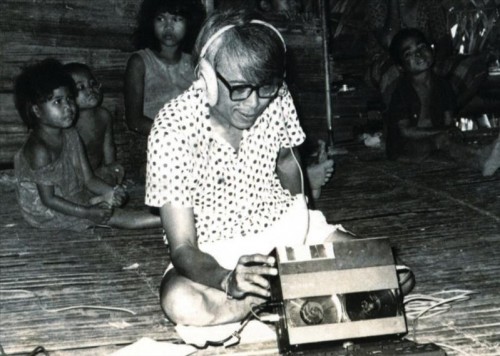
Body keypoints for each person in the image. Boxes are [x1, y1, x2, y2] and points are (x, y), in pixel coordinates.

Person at [145, 9, 410, 328]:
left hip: (285, 233)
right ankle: (281, 296)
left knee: (396, 273)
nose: (255, 103)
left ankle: (283, 292)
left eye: (266, 88)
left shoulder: (277, 95)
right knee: (181, 302)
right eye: (240, 89)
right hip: (216, 253)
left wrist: (305, 222)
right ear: (206, 77)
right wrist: (227, 280)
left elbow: (287, 161)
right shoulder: (172, 129)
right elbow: (184, 247)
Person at [13, 58, 162, 231]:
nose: (68, 106)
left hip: (70, 191)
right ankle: (169, 219)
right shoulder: (39, 149)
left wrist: (110, 191)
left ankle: (99, 204)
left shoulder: (70, 134)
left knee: (108, 189)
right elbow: (49, 199)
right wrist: (86, 212)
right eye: (57, 102)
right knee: (113, 216)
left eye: (69, 98)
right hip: (47, 209)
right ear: (37, 110)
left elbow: (88, 178)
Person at [385, 29, 500, 176]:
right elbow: (406, 131)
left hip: (433, 143)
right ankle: (481, 158)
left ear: (431, 50)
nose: (419, 55)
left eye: (421, 47)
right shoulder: (402, 91)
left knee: (450, 147)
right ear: (401, 66)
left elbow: (448, 122)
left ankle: (482, 157)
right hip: (405, 149)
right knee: (443, 140)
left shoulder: (443, 85)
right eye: (409, 54)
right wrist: (442, 132)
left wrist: (449, 132)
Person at [365, 0, 487, 108]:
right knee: (395, 72)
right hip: (387, 65)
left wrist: (432, 70)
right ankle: (406, 120)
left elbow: (443, 42)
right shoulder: (377, 3)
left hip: (423, 63)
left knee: (475, 66)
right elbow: (389, 43)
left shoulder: (429, 2)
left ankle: (445, 110)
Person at [124, 0, 206, 136]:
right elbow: (134, 121)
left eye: (176, 19)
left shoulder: (195, 64)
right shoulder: (140, 62)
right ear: (150, 21)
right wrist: (174, 137)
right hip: (153, 143)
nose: (168, 26)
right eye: (160, 19)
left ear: (189, 23)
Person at [64, 62, 124, 186]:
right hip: (72, 175)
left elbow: (108, 147)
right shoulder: (69, 122)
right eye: (81, 87)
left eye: (93, 84)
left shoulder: (104, 116)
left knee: (116, 172)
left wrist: (110, 168)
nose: (90, 89)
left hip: (95, 173)